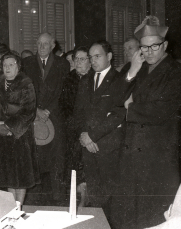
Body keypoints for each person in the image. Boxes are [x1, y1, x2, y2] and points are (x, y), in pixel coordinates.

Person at [111, 16, 181, 229]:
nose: (149, 52)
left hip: (157, 157)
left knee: (153, 216)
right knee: (128, 214)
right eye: (144, 47)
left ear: (165, 45)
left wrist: (130, 107)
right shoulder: (138, 66)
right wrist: (131, 71)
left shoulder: (175, 72)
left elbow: (164, 110)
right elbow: (114, 100)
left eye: (155, 46)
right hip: (132, 155)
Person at [73, 40, 131, 223]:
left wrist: (92, 136)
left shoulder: (119, 79)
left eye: (97, 56)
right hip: (88, 146)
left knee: (110, 197)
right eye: (91, 57)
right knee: (95, 195)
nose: (93, 60)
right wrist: (84, 136)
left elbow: (118, 113)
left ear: (110, 57)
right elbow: (79, 112)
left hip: (107, 146)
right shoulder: (86, 80)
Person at [0, 52, 39, 205]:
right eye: (5, 65)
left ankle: (19, 208)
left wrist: (8, 126)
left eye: (11, 65)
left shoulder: (26, 83)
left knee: (20, 175)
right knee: (8, 174)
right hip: (0, 135)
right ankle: (11, 207)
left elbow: (28, 110)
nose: (7, 68)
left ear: (18, 66)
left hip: (19, 135)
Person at [23, 32, 69, 203]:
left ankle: (58, 201)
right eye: (39, 43)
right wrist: (35, 110)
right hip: (32, 115)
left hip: (55, 116)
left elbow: (63, 91)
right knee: (34, 159)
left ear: (53, 46)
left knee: (57, 160)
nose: (42, 47)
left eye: (46, 44)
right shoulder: (26, 63)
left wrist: (49, 109)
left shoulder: (62, 64)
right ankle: (34, 202)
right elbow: (23, 90)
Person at [58, 46, 92, 204]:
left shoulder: (94, 78)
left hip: (90, 129)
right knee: (74, 164)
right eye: (76, 59)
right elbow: (63, 104)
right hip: (72, 129)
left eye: (82, 59)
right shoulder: (68, 78)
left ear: (90, 61)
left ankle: (86, 199)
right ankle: (76, 199)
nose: (78, 62)